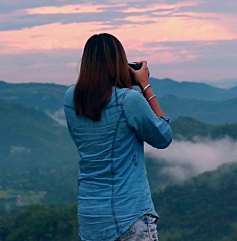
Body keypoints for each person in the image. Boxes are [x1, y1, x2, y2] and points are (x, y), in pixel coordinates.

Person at [64, 33, 173, 241]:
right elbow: (163, 137)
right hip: (129, 216)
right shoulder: (129, 100)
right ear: (118, 63)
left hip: (91, 218)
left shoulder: (71, 98)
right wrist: (145, 86)